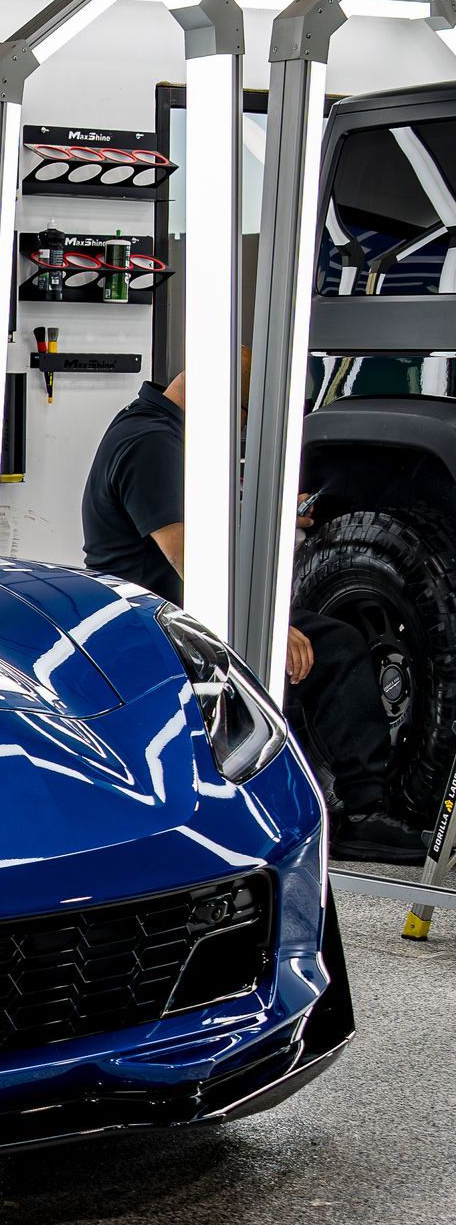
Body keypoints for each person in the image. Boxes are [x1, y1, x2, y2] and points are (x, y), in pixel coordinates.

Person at [81, 366, 424, 863]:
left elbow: (191, 523)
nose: (242, 430)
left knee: (312, 645)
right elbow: (186, 555)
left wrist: (272, 513)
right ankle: (363, 812)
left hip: (171, 614)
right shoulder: (150, 443)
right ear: (217, 398)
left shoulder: (156, 431)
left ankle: (297, 793)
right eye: (245, 416)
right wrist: (267, 626)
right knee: (338, 647)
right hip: (155, 627)